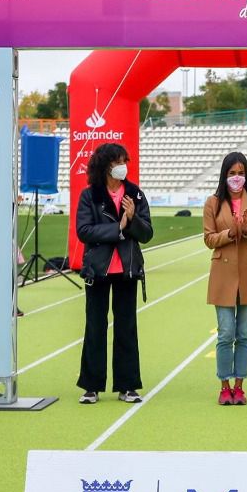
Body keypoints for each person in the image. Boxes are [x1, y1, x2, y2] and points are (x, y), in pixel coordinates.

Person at [75, 143, 153, 405]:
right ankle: (91, 386)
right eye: (118, 161)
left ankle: (128, 385)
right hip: (98, 270)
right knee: (95, 327)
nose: (123, 165)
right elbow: (84, 231)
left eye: (125, 160)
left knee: (126, 328)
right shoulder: (90, 196)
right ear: (106, 165)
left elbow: (147, 234)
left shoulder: (135, 194)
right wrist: (117, 228)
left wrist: (132, 220)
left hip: (127, 270)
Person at [203, 152, 247, 406]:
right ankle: (224, 385)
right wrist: (230, 233)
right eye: (232, 173)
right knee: (225, 333)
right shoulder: (212, 202)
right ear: (224, 175)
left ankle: (240, 386)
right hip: (223, 273)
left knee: (244, 333)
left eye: (241, 173)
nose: (237, 178)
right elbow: (209, 239)